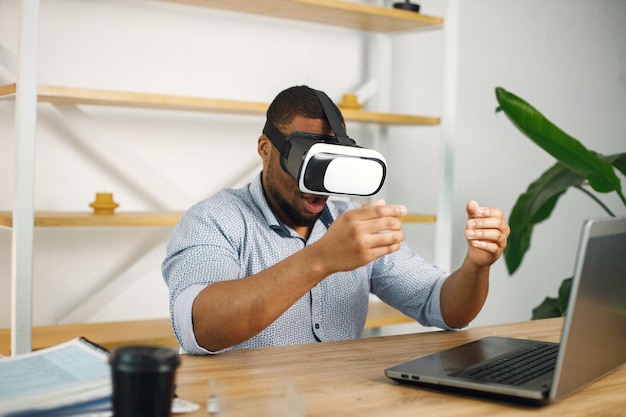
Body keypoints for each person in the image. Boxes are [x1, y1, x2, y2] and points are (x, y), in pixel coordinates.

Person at [162, 85, 510, 355]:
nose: (318, 183)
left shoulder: (350, 222)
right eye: (306, 162)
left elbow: (445, 308)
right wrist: (321, 258)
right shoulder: (213, 221)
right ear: (266, 148)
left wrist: (476, 268)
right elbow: (200, 327)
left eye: (329, 163)